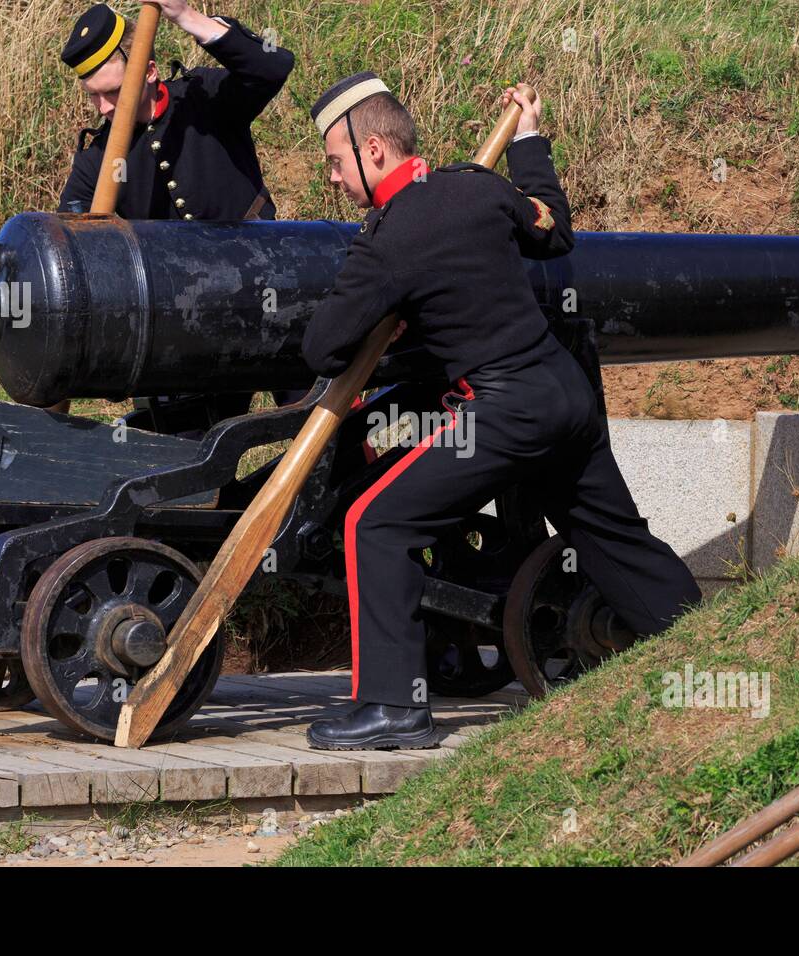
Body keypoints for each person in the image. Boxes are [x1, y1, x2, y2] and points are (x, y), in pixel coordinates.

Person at [300, 73, 703, 751]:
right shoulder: (479, 188)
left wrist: (392, 310)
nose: (334, 181)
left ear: (373, 151)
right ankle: (716, 648)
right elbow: (553, 228)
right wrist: (527, 138)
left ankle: (395, 708)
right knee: (614, 539)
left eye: (337, 164)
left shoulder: (389, 240)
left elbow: (323, 347)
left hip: (507, 409)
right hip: (564, 394)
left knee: (376, 521)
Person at [57, 2, 302, 416]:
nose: (102, 108)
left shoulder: (204, 98)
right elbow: (72, 240)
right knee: (182, 454)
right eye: (94, 96)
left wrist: (186, 16)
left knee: (315, 422)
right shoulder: (97, 160)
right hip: (182, 322)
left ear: (148, 72)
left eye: (113, 92)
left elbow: (272, 67)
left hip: (264, 288)